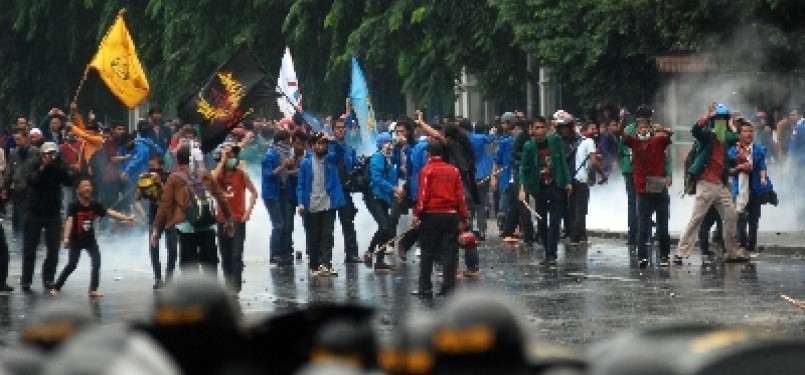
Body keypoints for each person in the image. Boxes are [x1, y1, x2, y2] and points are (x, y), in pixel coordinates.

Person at [674, 103, 750, 264]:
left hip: (719, 184)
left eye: (723, 119)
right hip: (706, 183)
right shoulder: (708, 135)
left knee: (731, 216)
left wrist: (731, 125)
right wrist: (706, 117)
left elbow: (737, 138)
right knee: (696, 218)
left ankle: (732, 252)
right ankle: (680, 253)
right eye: (718, 120)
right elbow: (695, 131)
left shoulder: (725, 138)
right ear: (714, 121)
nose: (721, 123)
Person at [151, 146, 234, 275]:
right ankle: (211, 290)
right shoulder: (205, 174)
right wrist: (229, 219)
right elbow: (221, 198)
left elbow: (164, 205)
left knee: (189, 264)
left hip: (186, 226)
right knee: (210, 262)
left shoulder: (174, 178)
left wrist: (157, 230)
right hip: (206, 223)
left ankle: (193, 291)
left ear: (177, 161)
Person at [49, 178, 135, 297]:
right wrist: (66, 237)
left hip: (89, 240)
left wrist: (126, 218)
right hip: (76, 240)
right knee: (72, 264)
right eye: (84, 186)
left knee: (96, 261)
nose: (87, 188)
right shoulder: (73, 206)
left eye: (89, 185)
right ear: (78, 190)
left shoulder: (94, 205)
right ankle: (56, 287)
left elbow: (109, 213)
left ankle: (93, 289)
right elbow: (70, 221)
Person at [411, 140, 468, 297]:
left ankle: (425, 288)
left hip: (431, 216)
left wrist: (417, 214)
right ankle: (449, 288)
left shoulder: (427, 171)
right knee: (449, 253)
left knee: (427, 252)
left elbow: (423, 196)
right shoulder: (454, 171)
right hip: (451, 216)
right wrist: (464, 216)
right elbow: (460, 196)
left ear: (428, 154)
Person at [20, 142, 73, 292]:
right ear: (42, 155)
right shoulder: (34, 164)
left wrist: (60, 166)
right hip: (34, 211)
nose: (51, 156)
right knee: (30, 248)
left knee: (53, 248)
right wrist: (44, 166)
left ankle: (48, 278)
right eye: (48, 154)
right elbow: (31, 180)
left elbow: (69, 181)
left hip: (53, 211)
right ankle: (26, 280)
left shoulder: (59, 166)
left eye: (52, 153)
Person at [519, 117, 572, 266]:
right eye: (537, 128)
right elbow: (524, 168)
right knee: (542, 221)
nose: (540, 131)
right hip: (539, 187)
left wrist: (568, 181)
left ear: (547, 129)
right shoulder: (529, 147)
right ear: (532, 130)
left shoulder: (554, 141)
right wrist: (522, 189)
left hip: (556, 185)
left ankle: (551, 254)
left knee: (555, 221)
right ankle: (547, 248)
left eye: (543, 127)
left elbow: (562, 161)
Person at [624, 121, 674, 268]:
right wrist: (623, 121)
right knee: (643, 225)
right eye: (641, 128)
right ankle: (642, 256)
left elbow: (670, 134)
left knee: (663, 225)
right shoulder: (634, 143)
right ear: (637, 131)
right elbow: (623, 135)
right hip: (642, 190)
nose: (644, 130)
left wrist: (661, 128)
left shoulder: (658, 140)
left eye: (646, 127)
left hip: (659, 188)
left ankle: (664, 255)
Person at [297, 132, 345, 276]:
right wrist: (300, 203)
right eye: (318, 143)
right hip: (311, 204)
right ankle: (314, 266)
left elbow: (341, 152)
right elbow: (300, 185)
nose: (320, 146)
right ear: (312, 146)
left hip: (328, 202)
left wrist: (333, 140)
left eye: (323, 144)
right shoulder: (305, 164)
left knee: (327, 235)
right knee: (314, 235)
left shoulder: (330, 160)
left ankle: (326, 264)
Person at [212, 143, 258, 292]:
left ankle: (236, 288)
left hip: (238, 219)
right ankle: (228, 284)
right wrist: (222, 160)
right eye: (230, 155)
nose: (233, 158)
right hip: (222, 219)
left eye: (233, 155)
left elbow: (254, 192)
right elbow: (211, 180)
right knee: (225, 256)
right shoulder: (218, 175)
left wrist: (248, 211)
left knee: (236, 255)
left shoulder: (241, 174)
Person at [729, 119, 773, 253]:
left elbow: (762, 166)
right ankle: (742, 245)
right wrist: (740, 167)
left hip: (754, 189)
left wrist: (763, 177)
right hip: (740, 189)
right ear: (740, 134)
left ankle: (751, 246)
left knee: (754, 219)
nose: (748, 134)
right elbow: (728, 170)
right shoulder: (733, 151)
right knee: (740, 219)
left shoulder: (758, 150)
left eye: (750, 131)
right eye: (745, 131)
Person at [134, 155, 177, 289]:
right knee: (154, 247)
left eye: (154, 166)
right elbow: (136, 199)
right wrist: (143, 214)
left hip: (169, 215)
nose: (151, 169)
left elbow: (168, 197)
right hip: (154, 216)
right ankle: (158, 278)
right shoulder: (145, 179)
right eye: (150, 166)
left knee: (172, 248)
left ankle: (169, 278)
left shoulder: (170, 177)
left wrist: (159, 182)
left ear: (161, 166)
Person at [363, 133, 400, 271]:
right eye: (386, 143)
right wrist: (394, 189)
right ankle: (370, 251)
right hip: (374, 198)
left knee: (385, 228)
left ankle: (379, 260)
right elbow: (377, 179)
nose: (389, 145)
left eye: (390, 142)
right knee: (385, 227)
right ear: (380, 145)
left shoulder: (389, 159)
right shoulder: (378, 158)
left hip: (383, 199)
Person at [568, 122, 608, 246]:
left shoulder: (579, 141)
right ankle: (575, 238)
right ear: (585, 130)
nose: (595, 130)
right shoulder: (589, 142)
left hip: (573, 178)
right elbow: (593, 162)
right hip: (581, 179)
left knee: (574, 209)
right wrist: (603, 174)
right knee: (581, 209)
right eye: (592, 128)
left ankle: (581, 236)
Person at [262, 130, 296, 265]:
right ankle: (274, 254)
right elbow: (269, 175)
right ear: (282, 142)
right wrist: (284, 166)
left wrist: (296, 171)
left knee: (282, 224)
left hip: (281, 193)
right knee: (278, 225)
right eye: (288, 141)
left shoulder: (282, 154)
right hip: (271, 194)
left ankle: (282, 252)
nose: (289, 145)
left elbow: (285, 173)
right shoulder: (269, 156)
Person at [331, 116, 361, 263]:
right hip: (330, 191)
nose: (341, 131)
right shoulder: (329, 146)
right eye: (338, 128)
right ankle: (324, 256)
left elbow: (354, 167)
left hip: (345, 190)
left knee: (348, 222)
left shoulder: (350, 149)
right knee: (327, 225)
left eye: (343, 128)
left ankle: (351, 253)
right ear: (333, 130)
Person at [3, 129, 40, 241]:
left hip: (32, 189)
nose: (17, 142)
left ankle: (31, 236)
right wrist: (5, 187)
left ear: (26, 138)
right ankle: (17, 236)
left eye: (19, 139)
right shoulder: (13, 153)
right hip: (18, 189)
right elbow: (9, 171)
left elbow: (40, 170)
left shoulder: (36, 152)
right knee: (17, 215)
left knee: (31, 215)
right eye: (15, 139)